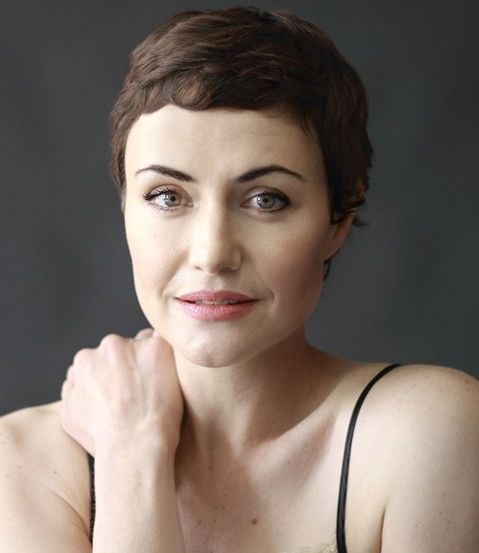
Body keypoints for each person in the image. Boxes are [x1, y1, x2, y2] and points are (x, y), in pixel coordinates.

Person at [0, 6, 478, 553]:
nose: (212, 254)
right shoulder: (23, 463)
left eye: (265, 200)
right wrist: (130, 452)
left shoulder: (427, 431)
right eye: (167, 196)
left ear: (338, 218)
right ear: (126, 208)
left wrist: (132, 455)